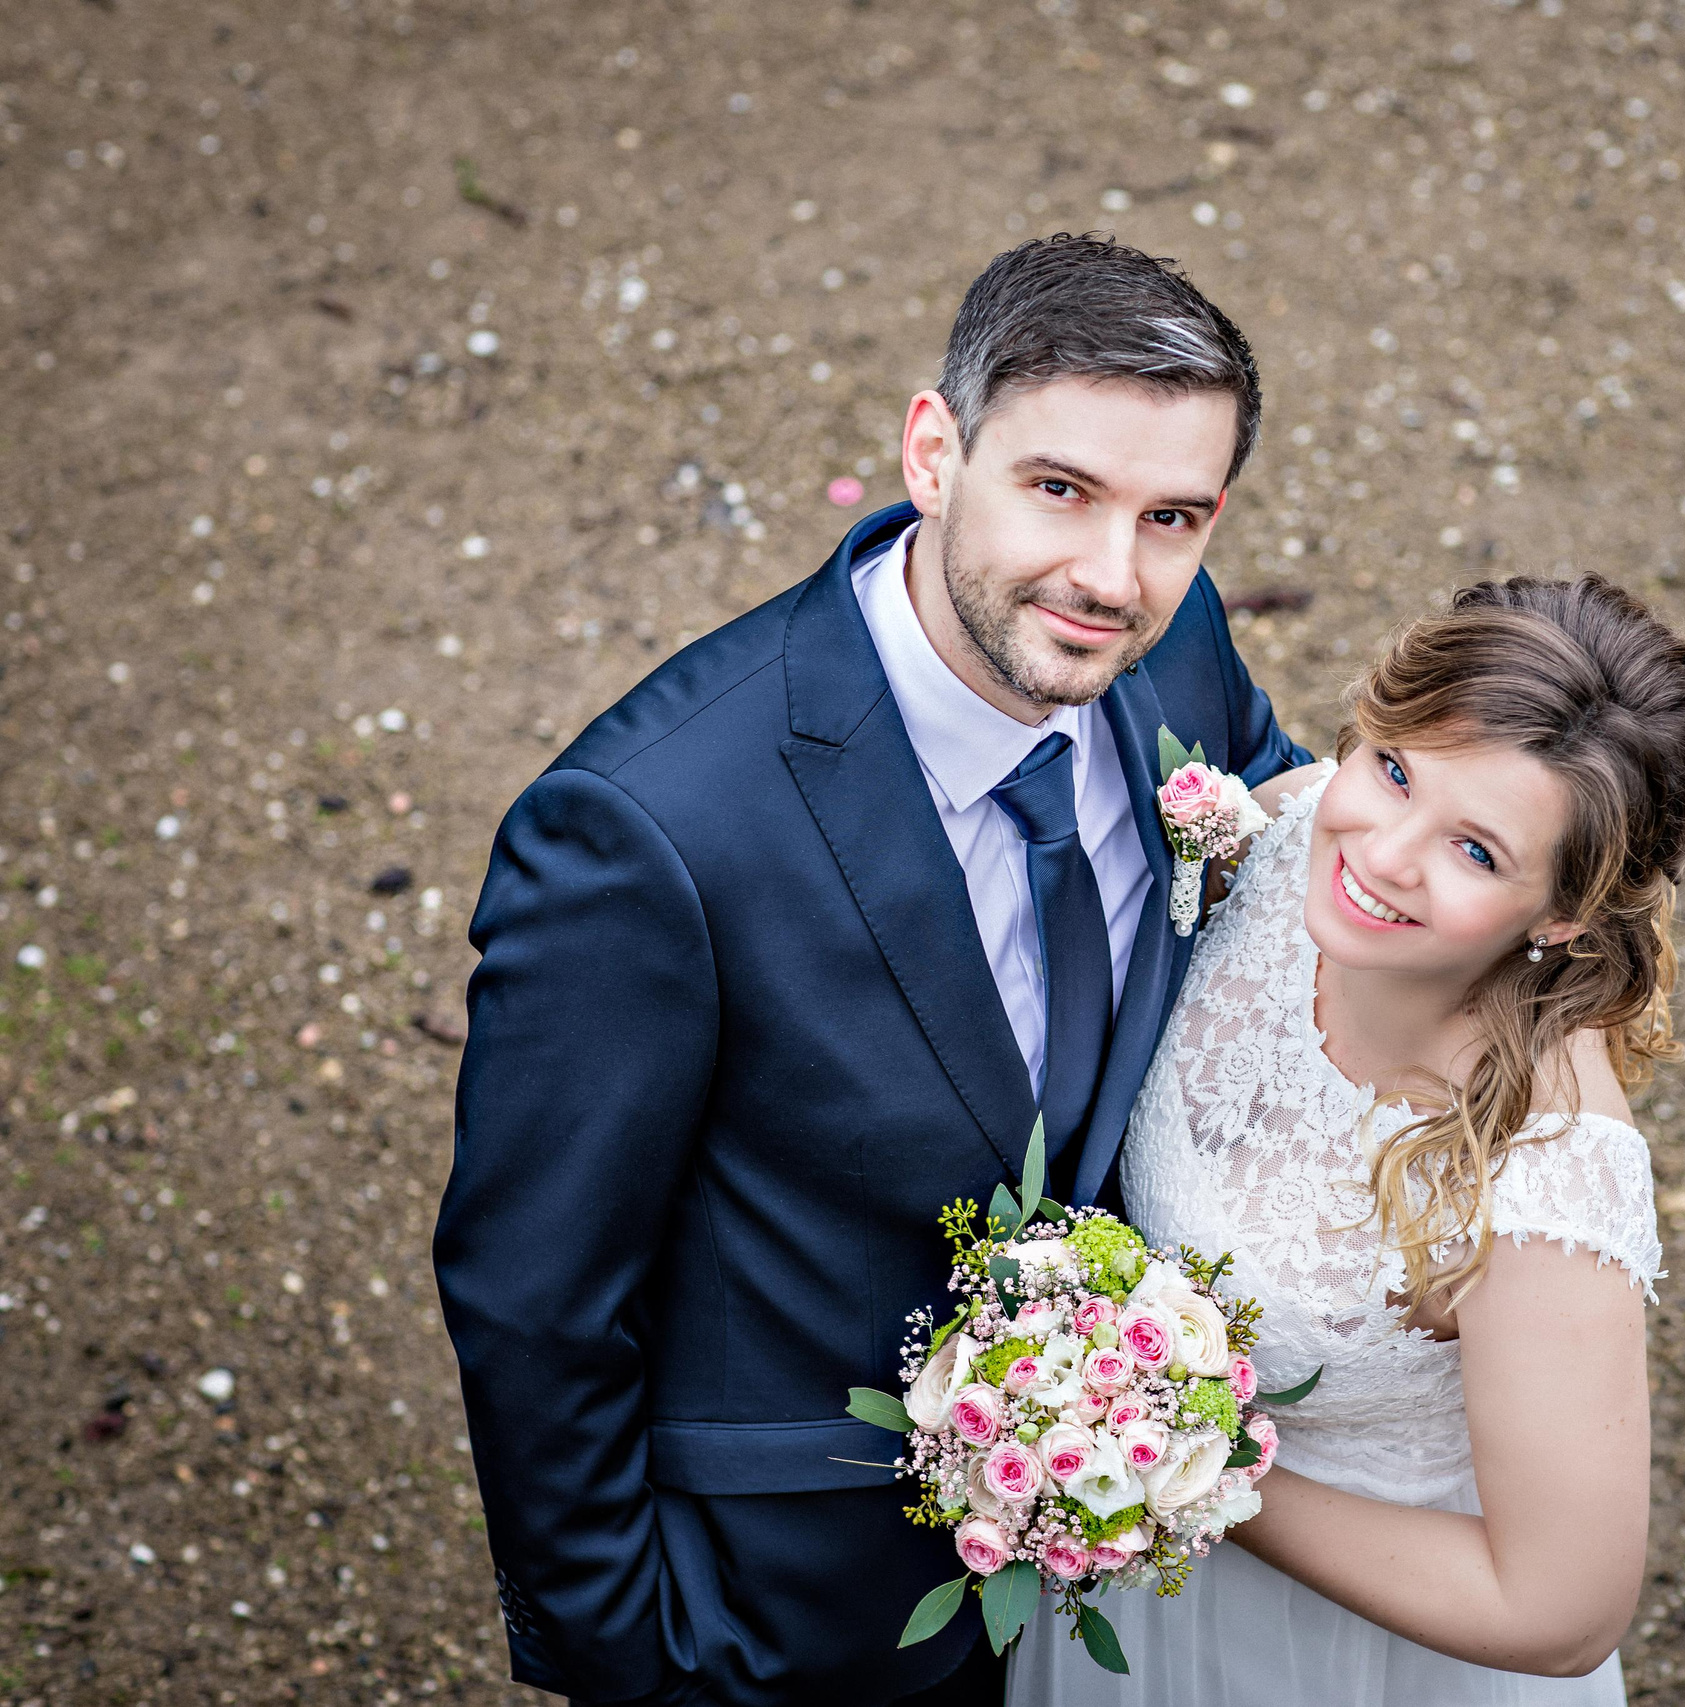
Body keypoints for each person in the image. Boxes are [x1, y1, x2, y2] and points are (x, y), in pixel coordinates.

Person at [433, 234, 1309, 1707]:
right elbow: (535, 1296)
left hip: (1139, 1571)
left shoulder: (1170, 646)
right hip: (787, 1609)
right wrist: (637, 1654)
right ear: (931, 449)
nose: (1114, 573)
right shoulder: (647, 835)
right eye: (1060, 489)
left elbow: (1273, 841)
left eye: (1175, 514)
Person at [1011, 576, 1685, 1705]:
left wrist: (1177, 1457)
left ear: (1565, 915)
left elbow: (1559, 1613)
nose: (1384, 854)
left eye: (1476, 852)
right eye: (1393, 769)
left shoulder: (1539, 1180)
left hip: (1347, 1643)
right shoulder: (1287, 835)